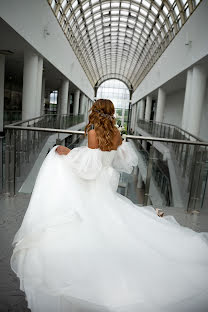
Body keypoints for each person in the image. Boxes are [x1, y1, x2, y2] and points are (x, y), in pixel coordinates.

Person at [11, 99, 208, 312]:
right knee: (109, 217)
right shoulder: (115, 133)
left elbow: (90, 167)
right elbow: (120, 160)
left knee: (61, 167)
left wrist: (65, 151)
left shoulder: (94, 132)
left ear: (95, 112)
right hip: (106, 182)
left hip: (96, 182)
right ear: (111, 113)